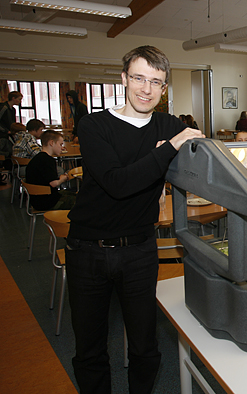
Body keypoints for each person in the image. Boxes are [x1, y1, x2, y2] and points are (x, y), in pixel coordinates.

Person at [65, 45, 204, 394]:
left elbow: (201, 162)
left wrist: (175, 150)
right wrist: (166, 150)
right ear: (124, 78)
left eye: (155, 82)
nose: (146, 89)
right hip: (87, 250)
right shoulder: (93, 125)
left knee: (145, 346)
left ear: (164, 87)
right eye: (139, 78)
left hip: (140, 249)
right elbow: (117, 183)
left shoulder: (169, 125)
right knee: (89, 348)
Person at [25, 130, 76, 210]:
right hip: (47, 202)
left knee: (75, 195)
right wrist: (62, 179)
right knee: (80, 201)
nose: (62, 147)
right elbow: (54, 184)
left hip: (37, 199)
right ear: (51, 143)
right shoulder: (48, 160)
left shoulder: (37, 158)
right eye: (60, 144)